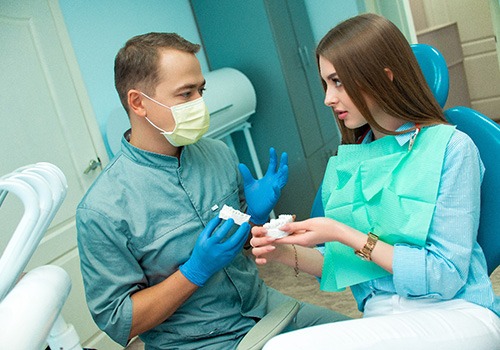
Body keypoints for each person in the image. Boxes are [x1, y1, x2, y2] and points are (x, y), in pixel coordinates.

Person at [76, 32, 348, 350]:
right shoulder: (103, 209)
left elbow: (245, 242)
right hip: (198, 341)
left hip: (267, 308)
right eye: (185, 94)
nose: (199, 104)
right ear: (138, 103)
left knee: (369, 338)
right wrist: (194, 272)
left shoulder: (217, 153)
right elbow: (121, 321)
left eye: (200, 91)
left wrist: (254, 220)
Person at [250, 14, 500, 349]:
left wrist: (342, 232)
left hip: (457, 312)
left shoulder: (452, 148)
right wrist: (282, 251)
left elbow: (444, 277)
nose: (328, 98)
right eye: (325, 84)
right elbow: (343, 263)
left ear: (384, 76)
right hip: (384, 317)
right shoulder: (351, 160)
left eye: (338, 82)